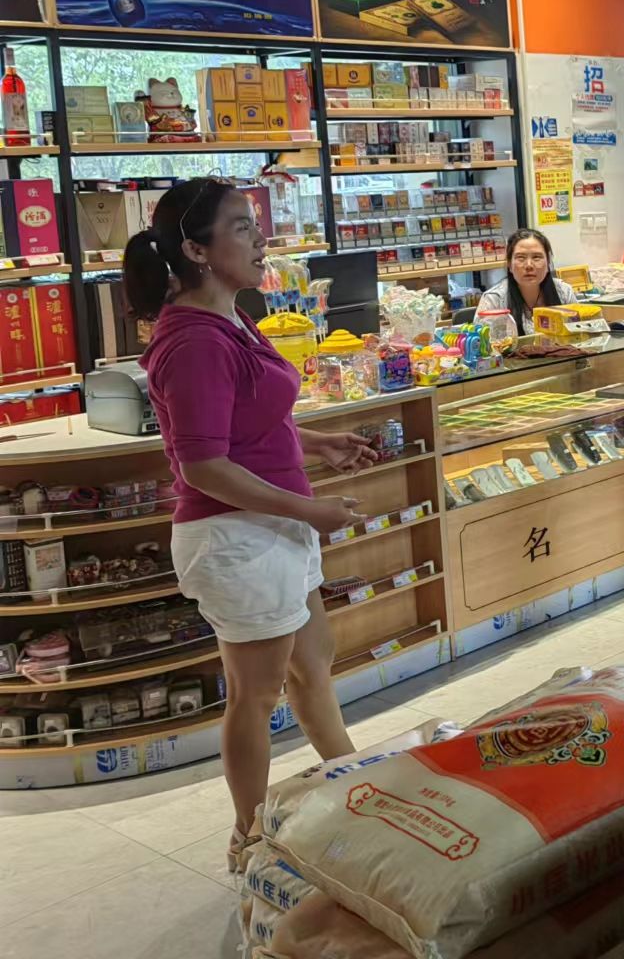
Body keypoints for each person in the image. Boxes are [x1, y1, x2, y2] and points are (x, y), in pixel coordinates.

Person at [123, 178, 378, 869]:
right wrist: (311, 510)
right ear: (196, 250)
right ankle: (249, 834)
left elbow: (252, 421)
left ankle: (355, 782)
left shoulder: (230, 318)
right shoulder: (193, 341)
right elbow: (204, 466)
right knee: (256, 694)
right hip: (236, 538)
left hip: (271, 528)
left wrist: (317, 445)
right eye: (242, 226)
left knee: (313, 667)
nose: (260, 239)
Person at [478, 227, 577, 335]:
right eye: (521, 258)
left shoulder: (564, 292)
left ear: (548, 262)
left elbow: (579, 335)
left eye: (536, 257)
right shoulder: (493, 300)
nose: (529, 265)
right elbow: (483, 343)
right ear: (509, 264)